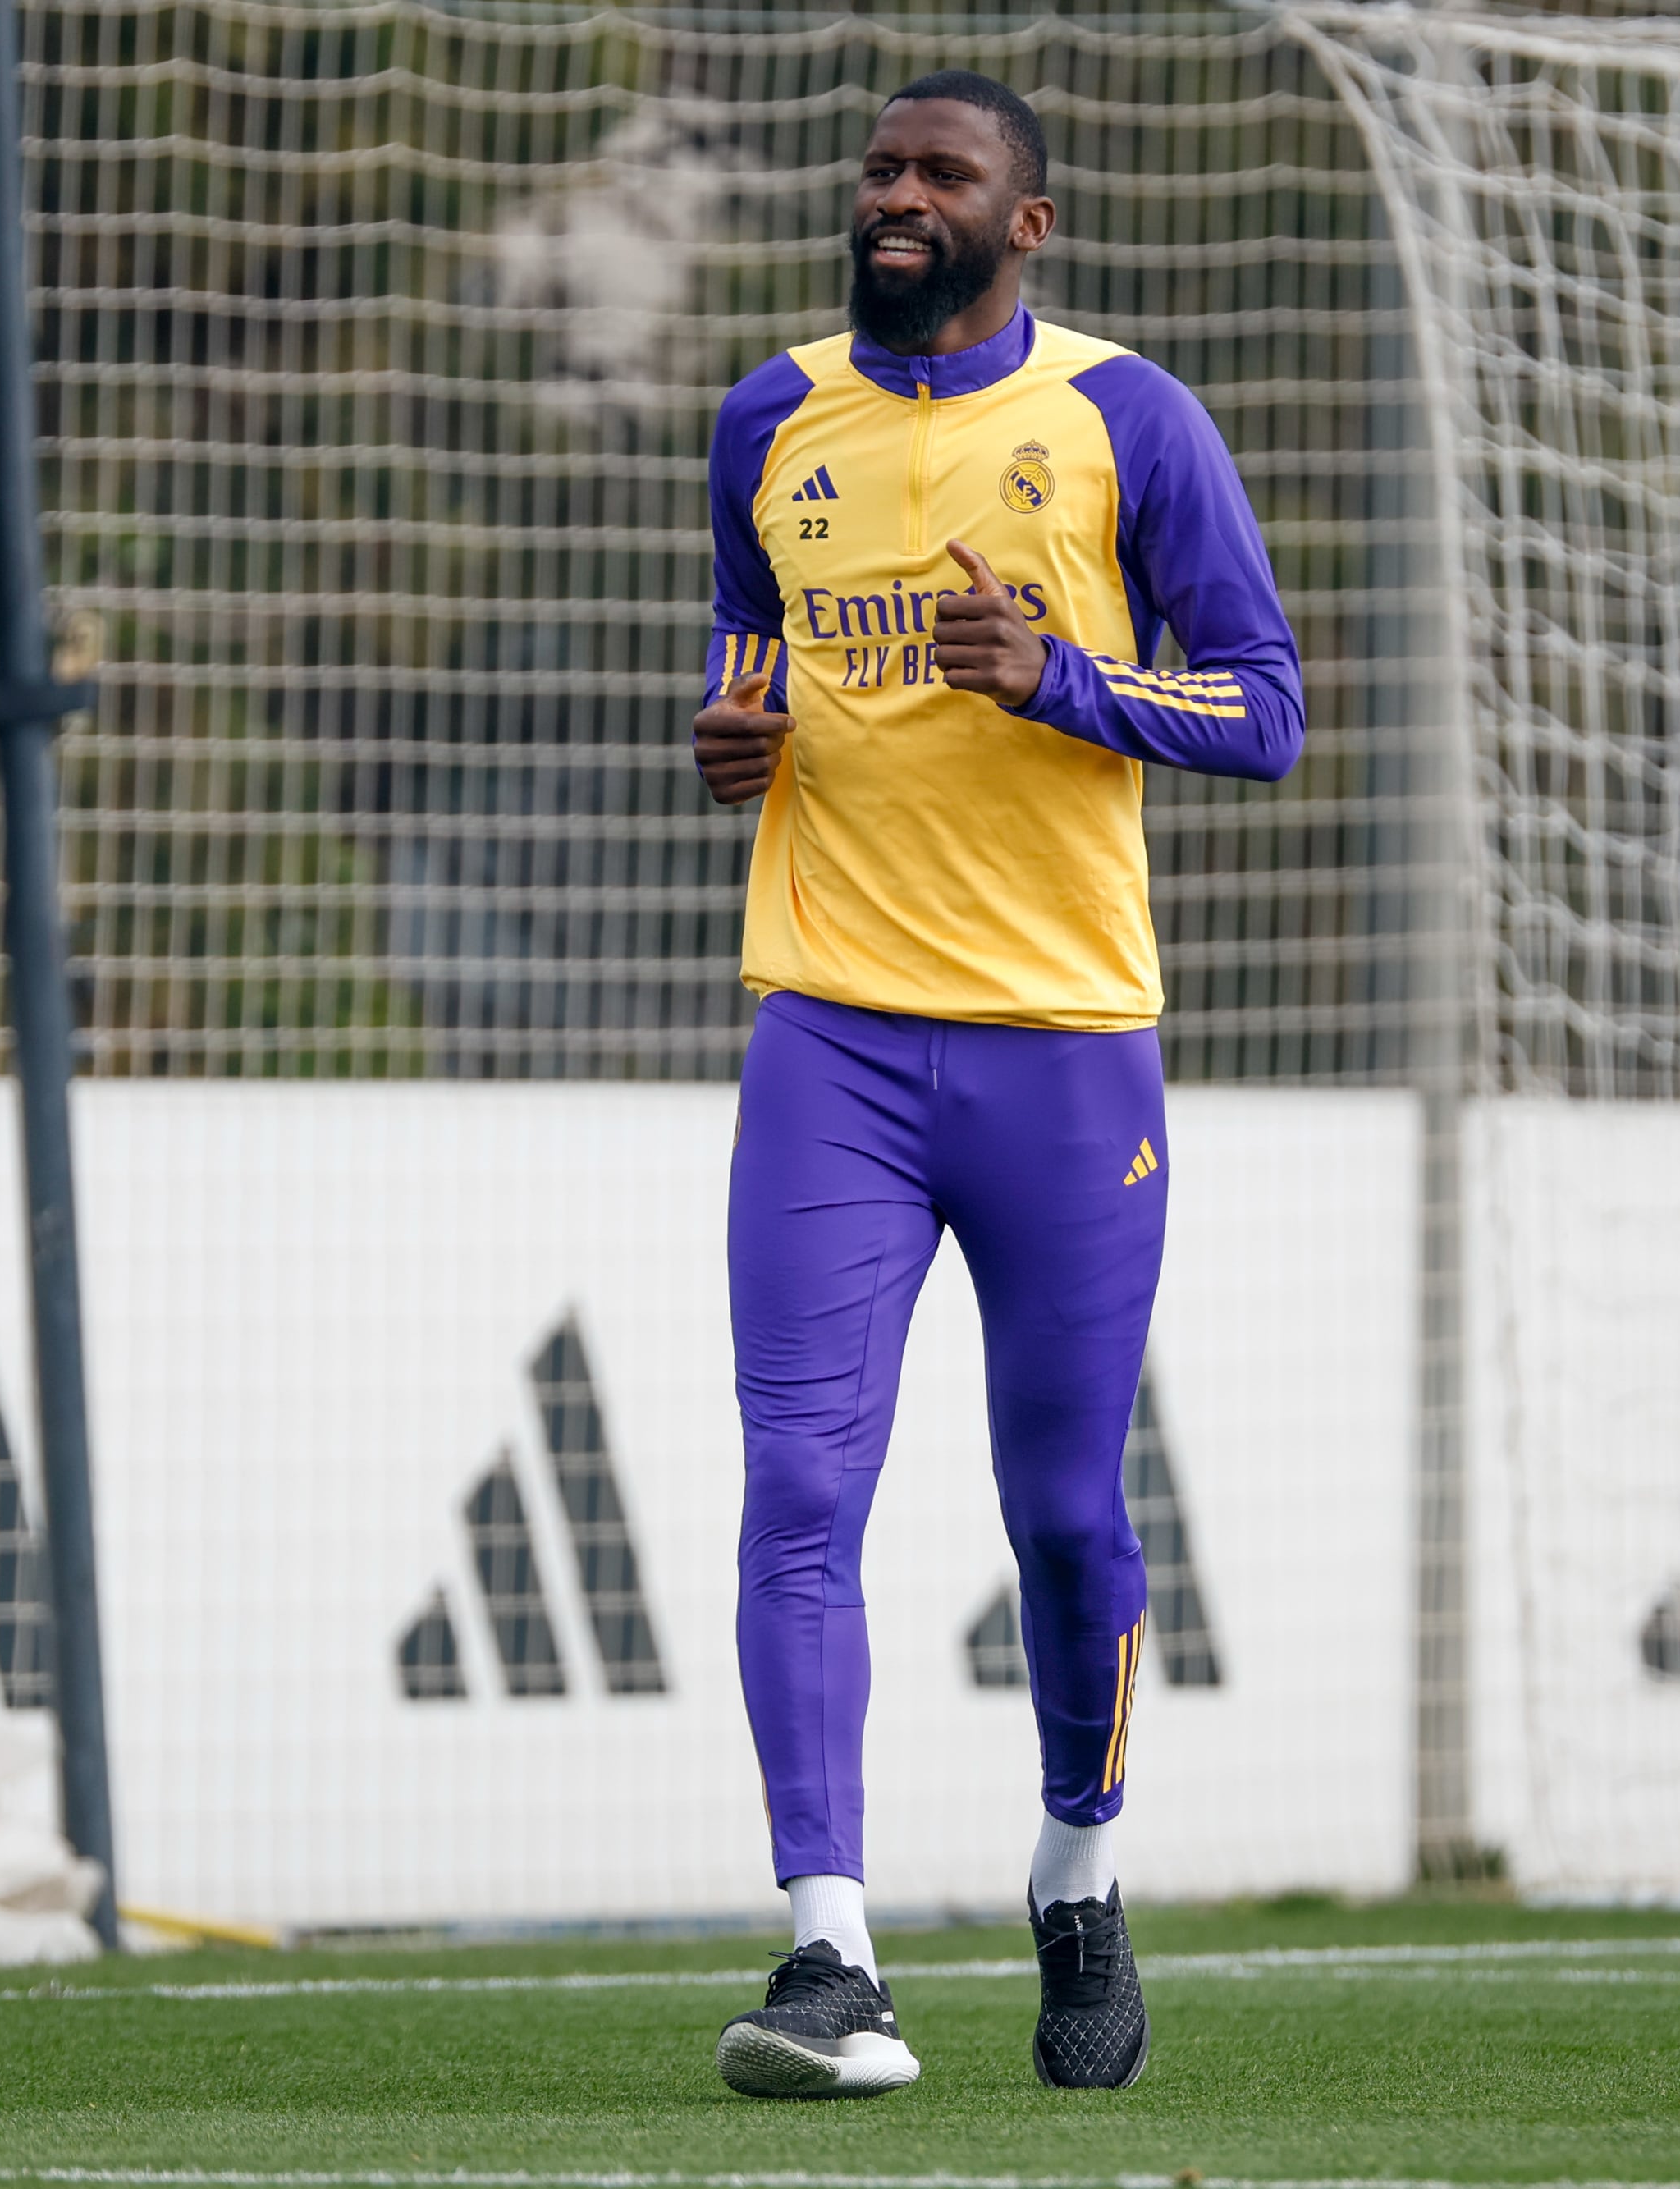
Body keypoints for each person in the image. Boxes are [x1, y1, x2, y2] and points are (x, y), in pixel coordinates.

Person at [692, 68, 1303, 2100]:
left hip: (1063, 1052)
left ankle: (1077, 1870)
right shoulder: (767, 419)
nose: (893, 193)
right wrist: (735, 735)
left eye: (938, 174)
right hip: (829, 1039)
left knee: (1057, 1511)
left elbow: (1264, 708)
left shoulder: (1131, 420)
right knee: (800, 1485)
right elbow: (751, 650)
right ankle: (827, 1956)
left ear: (1019, 224)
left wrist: (1055, 676)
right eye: (876, 165)